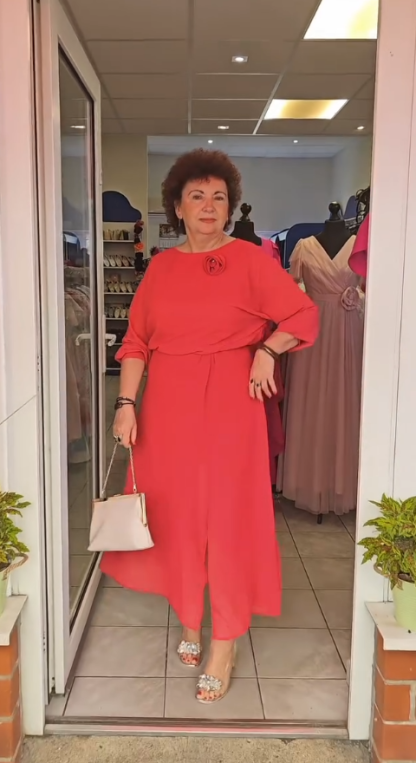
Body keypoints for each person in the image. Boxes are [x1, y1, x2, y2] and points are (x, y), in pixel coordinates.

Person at [101, 149, 319, 704]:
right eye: (196, 195)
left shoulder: (250, 260)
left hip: (231, 402)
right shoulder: (161, 268)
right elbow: (137, 341)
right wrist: (126, 402)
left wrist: (268, 349)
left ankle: (225, 641)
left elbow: (303, 315)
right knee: (177, 514)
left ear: (230, 207)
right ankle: (189, 619)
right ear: (177, 207)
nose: (208, 205)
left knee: (227, 519)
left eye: (219, 197)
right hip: (168, 404)